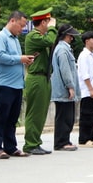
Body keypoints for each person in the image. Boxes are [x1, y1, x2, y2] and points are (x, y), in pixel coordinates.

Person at [0, 11, 32, 158]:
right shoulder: (1, 37)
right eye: (21, 26)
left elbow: (15, 58)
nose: (22, 29)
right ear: (12, 21)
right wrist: (19, 59)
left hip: (17, 84)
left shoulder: (15, 39)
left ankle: (10, 146)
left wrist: (24, 60)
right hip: (4, 84)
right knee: (1, 117)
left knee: (12, 118)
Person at [23, 8, 56, 156]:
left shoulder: (41, 37)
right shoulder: (33, 36)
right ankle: (30, 144)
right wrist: (53, 28)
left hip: (44, 77)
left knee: (41, 112)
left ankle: (36, 141)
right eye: (48, 21)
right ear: (43, 22)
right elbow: (50, 40)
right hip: (36, 77)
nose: (50, 24)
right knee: (35, 112)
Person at [50, 24, 80, 151]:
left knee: (67, 116)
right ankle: (61, 142)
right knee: (64, 117)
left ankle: (64, 140)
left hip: (64, 89)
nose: (72, 38)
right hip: (64, 90)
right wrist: (70, 86)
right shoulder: (62, 50)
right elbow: (65, 70)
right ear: (67, 36)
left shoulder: (63, 49)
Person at [77, 30, 93, 148]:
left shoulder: (91, 55)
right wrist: (91, 89)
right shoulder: (84, 55)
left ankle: (90, 138)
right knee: (86, 116)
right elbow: (84, 75)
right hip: (87, 91)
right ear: (87, 41)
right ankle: (84, 139)